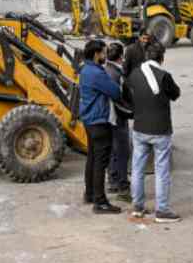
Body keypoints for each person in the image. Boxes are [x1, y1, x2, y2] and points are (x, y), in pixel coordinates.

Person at [126, 40, 182, 223]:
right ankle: (162, 210)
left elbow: (126, 94)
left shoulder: (134, 74)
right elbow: (176, 94)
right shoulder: (164, 76)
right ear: (162, 58)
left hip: (140, 127)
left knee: (137, 168)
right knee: (162, 170)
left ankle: (137, 206)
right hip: (160, 129)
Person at [78, 39, 122, 214]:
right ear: (97, 54)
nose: (105, 56)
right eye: (103, 52)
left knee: (92, 158)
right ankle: (100, 202)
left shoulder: (85, 69)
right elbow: (115, 92)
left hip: (89, 120)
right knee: (100, 162)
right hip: (99, 121)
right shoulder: (96, 73)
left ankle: (89, 194)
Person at [104, 42, 132, 201]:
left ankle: (112, 180)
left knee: (113, 151)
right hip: (117, 117)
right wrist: (132, 112)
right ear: (121, 57)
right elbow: (120, 99)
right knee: (122, 151)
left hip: (106, 117)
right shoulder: (116, 74)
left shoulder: (105, 70)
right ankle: (122, 185)